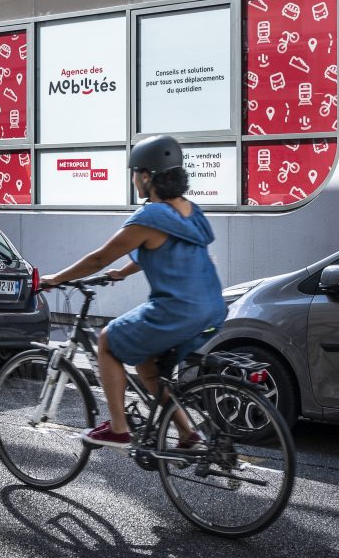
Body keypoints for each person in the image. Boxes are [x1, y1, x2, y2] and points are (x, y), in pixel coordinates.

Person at [39, 135, 227, 447]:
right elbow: (164, 249)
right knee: (145, 363)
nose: (133, 179)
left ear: (147, 176)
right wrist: (123, 273)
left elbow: (98, 259)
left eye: (135, 173)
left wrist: (56, 278)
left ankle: (118, 428)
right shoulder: (190, 212)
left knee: (107, 340)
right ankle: (187, 434)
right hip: (212, 310)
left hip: (177, 310)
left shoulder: (150, 217)